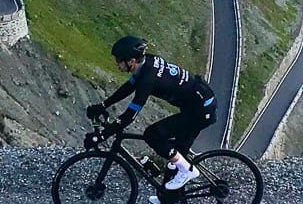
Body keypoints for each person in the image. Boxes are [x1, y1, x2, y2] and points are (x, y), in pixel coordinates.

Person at [88, 35, 215, 193]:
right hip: (197, 102)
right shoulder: (147, 62)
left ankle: (188, 171)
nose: (116, 63)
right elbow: (128, 87)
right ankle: (166, 196)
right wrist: (102, 105)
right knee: (175, 156)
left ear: (131, 61)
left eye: (119, 60)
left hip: (200, 111)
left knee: (153, 135)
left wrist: (102, 135)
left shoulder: (148, 80)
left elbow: (130, 116)